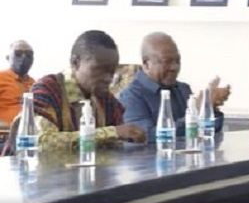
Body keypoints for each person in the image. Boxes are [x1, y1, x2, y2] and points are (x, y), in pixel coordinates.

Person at [2, 30, 146, 155]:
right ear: (75, 62)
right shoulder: (47, 90)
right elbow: (39, 143)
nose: (108, 78)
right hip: (39, 181)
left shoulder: (105, 99)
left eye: (112, 71)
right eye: (99, 69)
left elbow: (118, 143)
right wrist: (111, 133)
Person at [119, 32, 231, 141]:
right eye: (166, 62)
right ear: (147, 63)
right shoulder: (131, 97)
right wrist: (195, 113)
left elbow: (206, 133)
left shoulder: (183, 89)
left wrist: (208, 108)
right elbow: (146, 136)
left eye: (177, 61)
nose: (174, 67)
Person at [0, 41, 35, 126]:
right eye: (18, 53)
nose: (24, 57)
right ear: (8, 58)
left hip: (31, 133)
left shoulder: (35, 84)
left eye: (29, 54)